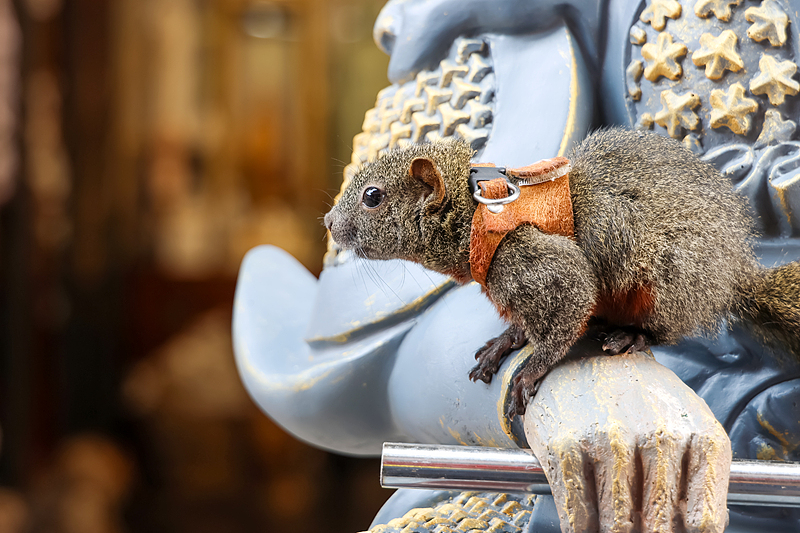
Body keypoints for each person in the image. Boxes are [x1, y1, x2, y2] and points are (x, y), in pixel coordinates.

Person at [233, 0, 800, 530]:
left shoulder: (494, 230)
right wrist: (558, 384)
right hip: (639, 430)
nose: (335, 221)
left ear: (428, 191)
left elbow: (564, 285)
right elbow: (362, 358)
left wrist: (550, 353)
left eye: (374, 203)